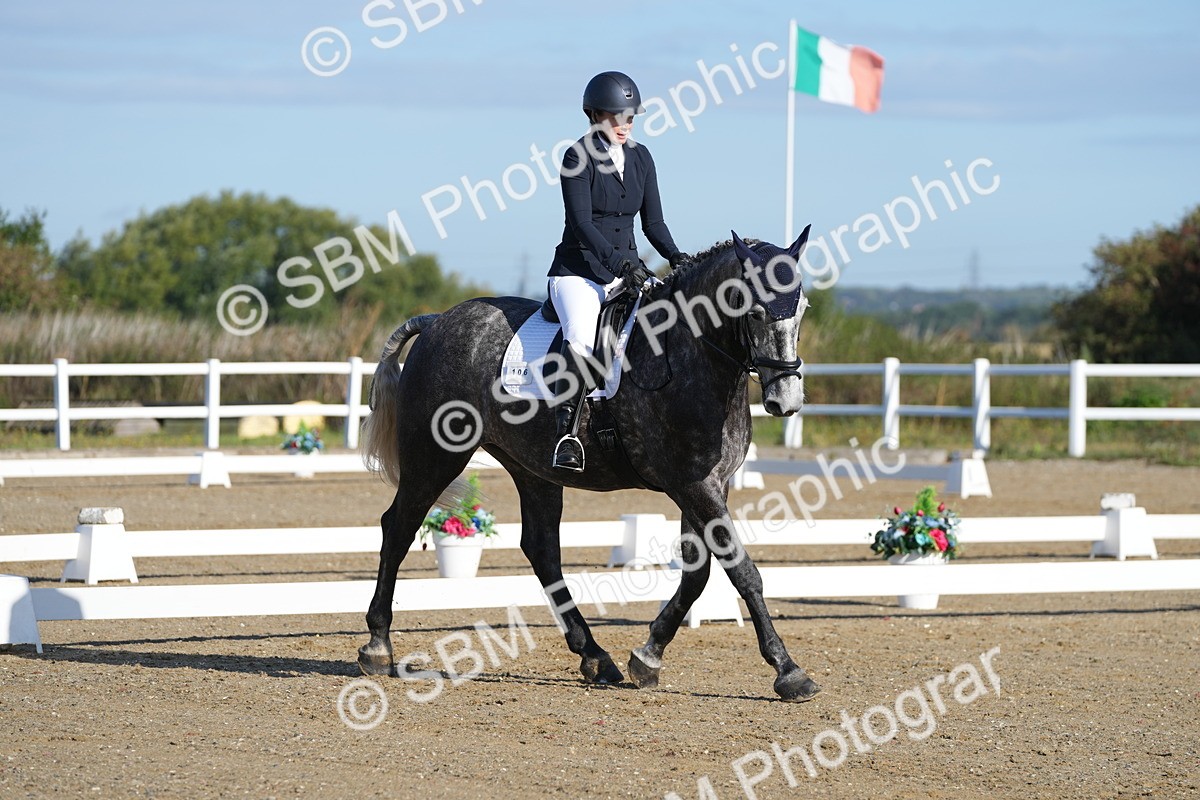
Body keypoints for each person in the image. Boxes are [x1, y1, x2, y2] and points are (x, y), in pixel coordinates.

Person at [547, 70, 691, 472]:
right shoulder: (577, 157)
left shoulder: (642, 157)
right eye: (615, 117)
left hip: (625, 272)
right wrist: (620, 264)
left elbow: (653, 224)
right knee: (581, 335)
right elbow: (582, 225)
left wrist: (678, 257)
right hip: (578, 273)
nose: (624, 125)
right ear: (594, 115)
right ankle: (567, 434)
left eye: (629, 117)